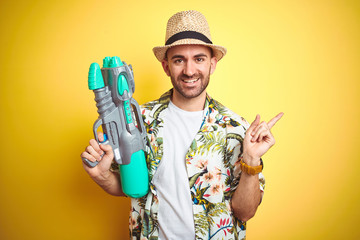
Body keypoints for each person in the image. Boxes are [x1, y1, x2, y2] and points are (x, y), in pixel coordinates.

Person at [81, 10, 283, 240]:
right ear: (166, 67)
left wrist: (251, 160)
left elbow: (245, 213)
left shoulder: (236, 128)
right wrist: (101, 176)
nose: (189, 70)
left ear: (212, 64)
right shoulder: (138, 120)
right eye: (179, 60)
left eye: (199, 58)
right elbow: (130, 187)